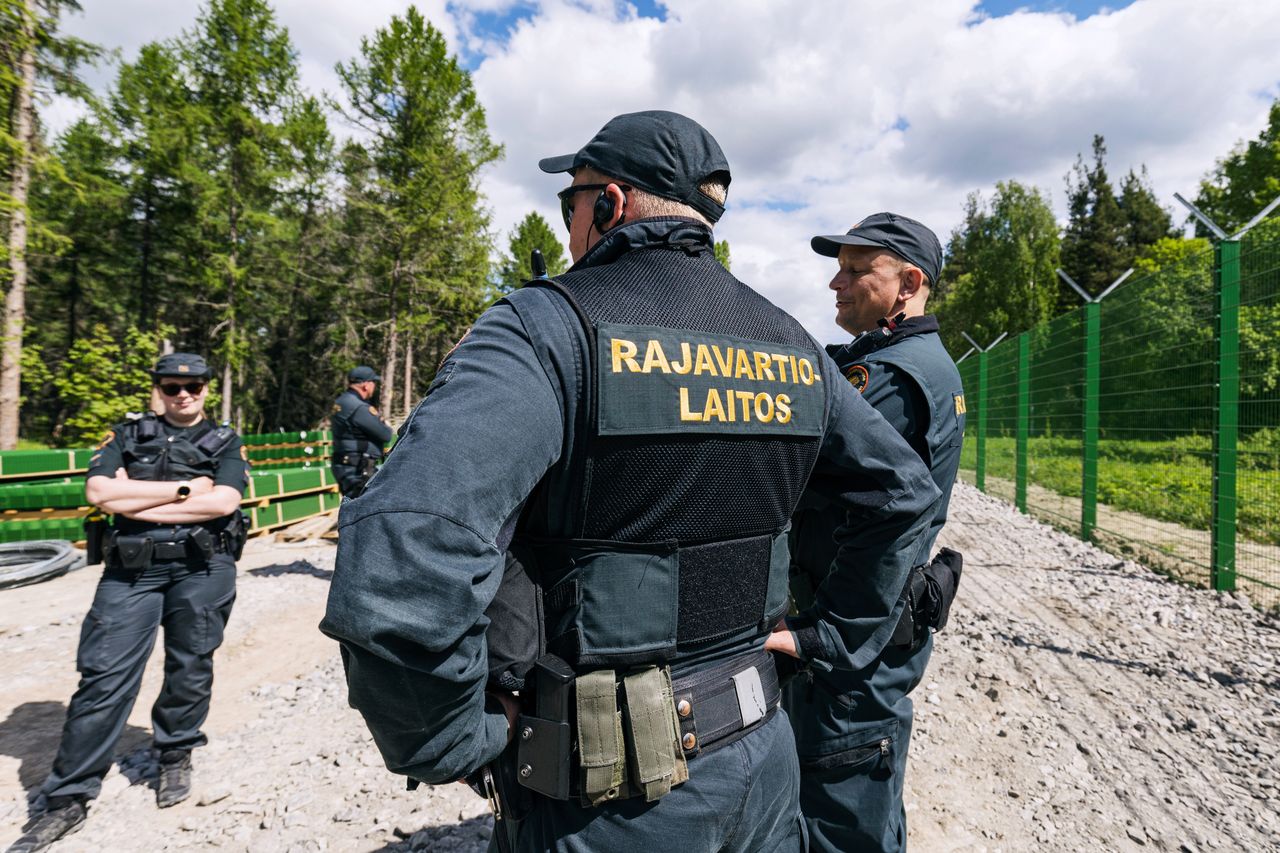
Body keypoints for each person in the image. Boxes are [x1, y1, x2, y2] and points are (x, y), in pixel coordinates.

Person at [320, 111, 940, 852]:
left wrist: (461, 741)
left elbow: (404, 553)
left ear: (609, 206)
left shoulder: (548, 328)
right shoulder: (793, 346)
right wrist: (835, 638)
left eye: (570, 205)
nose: (568, 228)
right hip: (765, 767)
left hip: (608, 799)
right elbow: (903, 494)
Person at [9, 353, 250, 853]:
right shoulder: (126, 434)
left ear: (207, 388)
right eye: (172, 385)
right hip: (129, 572)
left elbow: (224, 502)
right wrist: (186, 490)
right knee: (103, 676)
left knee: (190, 664)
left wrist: (136, 497)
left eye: (193, 386)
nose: (183, 394)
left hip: (201, 568)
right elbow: (100, 493)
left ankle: (175, 753)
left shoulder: (226, 440)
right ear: (158, 388)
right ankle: (68, 797)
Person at [784, 213, 967, 853]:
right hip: (872, 631)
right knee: (863, 788)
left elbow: (824, 488)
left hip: (851, 637)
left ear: (909, 282)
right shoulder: (897, 361)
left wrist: (822, 635)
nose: (837, 282)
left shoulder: (890, 377)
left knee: (840, 802)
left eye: (858, 270)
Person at [329, 365, 392, 498]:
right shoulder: (359, 408)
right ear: (366, 385)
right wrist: (384, 423)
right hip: (358, 469)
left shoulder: (341, 401)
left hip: (348, 465)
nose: (374, 386)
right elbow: (386, 434)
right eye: (373, 382)